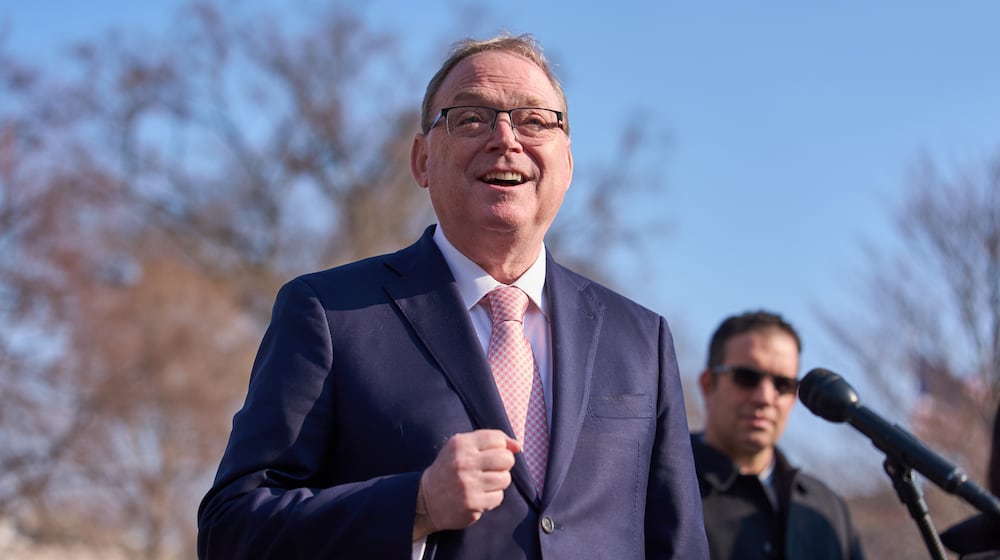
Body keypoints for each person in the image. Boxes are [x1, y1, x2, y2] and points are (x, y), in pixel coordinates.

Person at [197, 33, 708, 559]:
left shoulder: (641, 339)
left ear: (568, 164)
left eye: (534, 121)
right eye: (471, 118)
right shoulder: (330, 314)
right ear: (422, 160)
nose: (506, 139)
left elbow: (679, 545)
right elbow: (230, 529)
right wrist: (414, 506)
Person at [690, 310, 864, 560]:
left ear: (793, 397)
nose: (764, 397)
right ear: (708, 385)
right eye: (746, 377)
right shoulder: (661, 489)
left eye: (783, 384)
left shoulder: (827, 508)